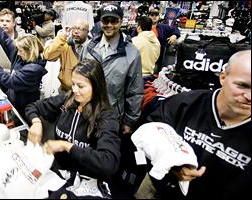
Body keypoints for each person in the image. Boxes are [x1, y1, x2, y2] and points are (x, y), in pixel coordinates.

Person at [136, 50, 251, 200]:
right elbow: (147, 132)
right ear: (223, 77)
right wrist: (171, 162)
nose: (249, 97)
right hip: (158, 189)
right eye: (242, 85)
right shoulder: (184, 103)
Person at [25, 59, 121, 198]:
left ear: (96, 86)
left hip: (88, 182)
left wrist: (67, 146)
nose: (75, 90)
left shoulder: (106, 117)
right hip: (59, 176)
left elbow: (108, 162)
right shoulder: (68, 101)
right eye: (73, 84)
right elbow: (32, 107)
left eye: (80, 86)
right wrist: (36, 122)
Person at [80, 3, 143, 135]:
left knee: (106, 153)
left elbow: (135, 90)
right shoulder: (88, 48)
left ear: (120, 22)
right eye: (105, 20)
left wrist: (129, 121)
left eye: (114, 21)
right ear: (100, 22)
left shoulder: (131, 53)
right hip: (86, 113)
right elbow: (79, 78)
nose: (109, 25)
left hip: (112, 118)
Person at [0, 11, 47, 120]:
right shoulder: (22, 55)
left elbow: (7, 80)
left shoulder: (33, 70)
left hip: (25, 111)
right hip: (13, 102)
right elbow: (5, 40)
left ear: (30, 51)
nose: (17, 53)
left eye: (20, 51)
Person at [43, 19, 90, 94]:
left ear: (87, 32)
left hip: (85, 91)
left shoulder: (93, 47)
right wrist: (62, 36)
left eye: (80, 29)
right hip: (66, 90)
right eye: (74, 28)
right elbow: (48, 56)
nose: (76, 31)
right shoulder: (65, 44)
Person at [131, 6, 180, 73]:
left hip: (158, 58)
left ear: (159, 16)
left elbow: (176, 30)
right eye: (152, 14)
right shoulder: (142, 26)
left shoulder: (163, 27)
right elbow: (132, 38)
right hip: (143, 59)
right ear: (149, 16)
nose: (154, 16)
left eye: (156, 15)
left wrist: (174, 35)